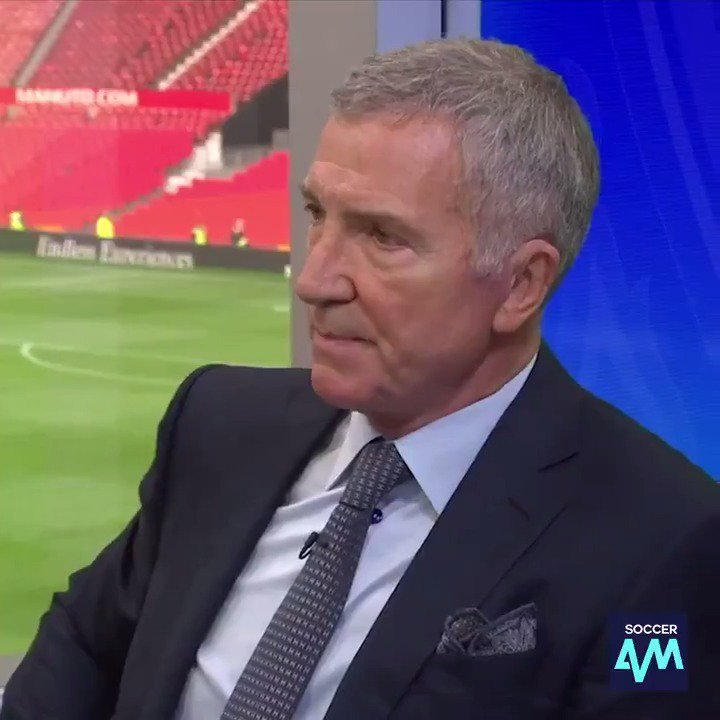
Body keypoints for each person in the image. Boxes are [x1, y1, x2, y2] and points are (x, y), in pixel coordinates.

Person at [3, 38, 719, 720]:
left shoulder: (658, 539)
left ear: (520, 283)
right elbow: (86, 648)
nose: (314, 280)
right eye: (318, 214)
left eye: (383, 237)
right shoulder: (217, 423)